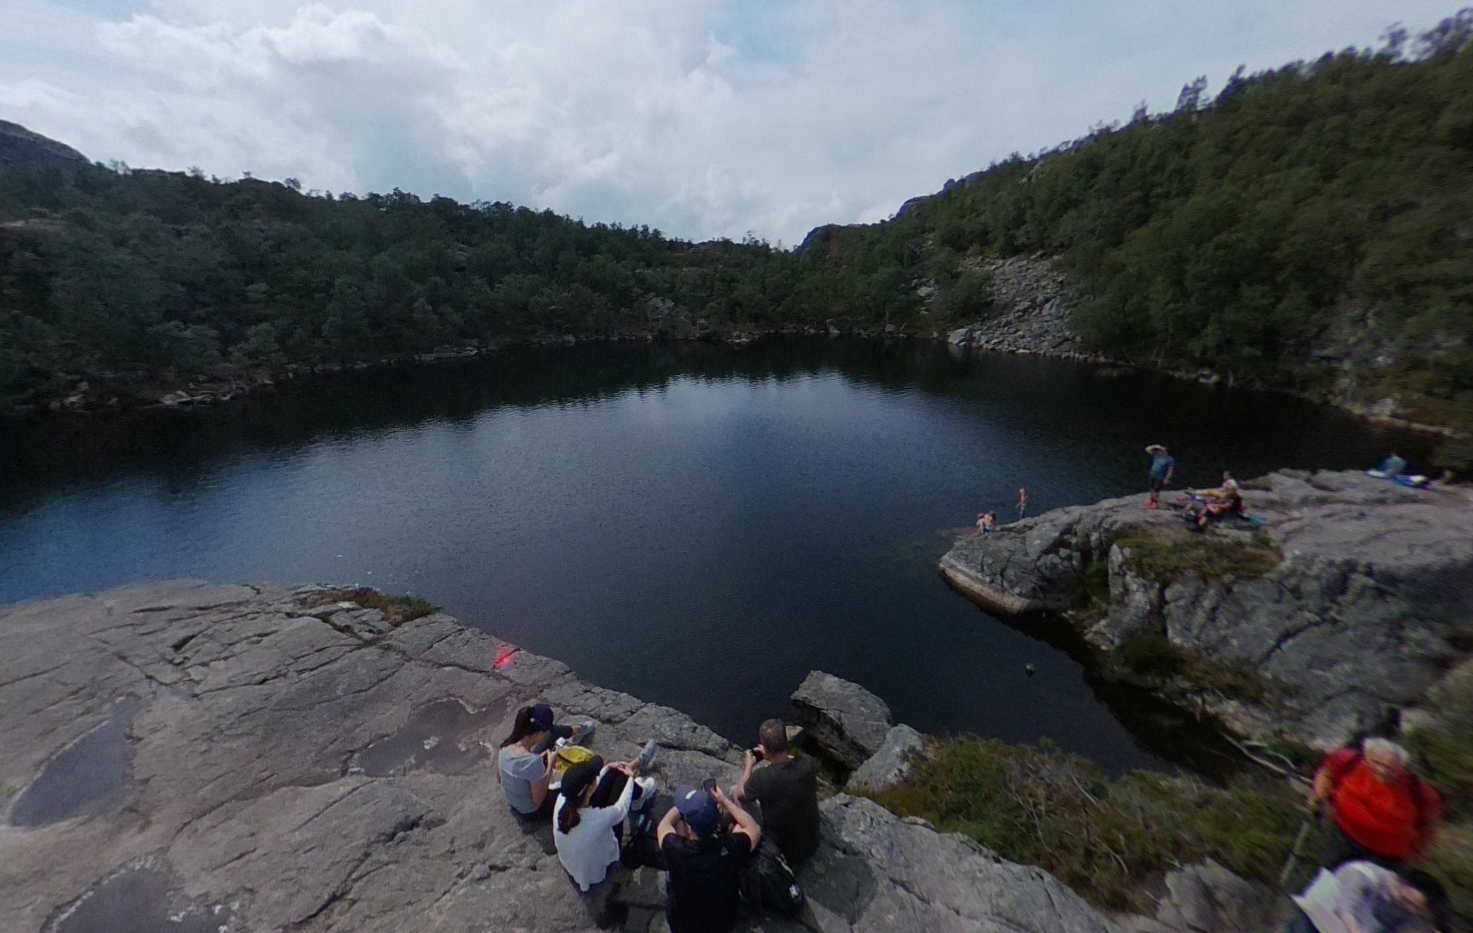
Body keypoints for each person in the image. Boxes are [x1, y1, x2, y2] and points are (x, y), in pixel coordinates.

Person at [1310, 738, 1444, 869]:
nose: (1383, 771)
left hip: (1387, 856)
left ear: (1401, 768)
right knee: (1328, 881)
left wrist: (1419, 851)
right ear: (1367, 758)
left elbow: (1429, 825)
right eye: (1377, 764)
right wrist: (1320, 799)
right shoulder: (1349, 761)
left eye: (1390, 768)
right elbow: (1326, 773)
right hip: (1343, 836)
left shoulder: (1420, 792)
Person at [658, 783, 761, 933]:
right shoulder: (730, 848)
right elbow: (753, 828)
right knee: (741, 833)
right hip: (723, 921)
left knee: (671, 875)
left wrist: (682, 807)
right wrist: (724, 801)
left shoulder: (675, 849)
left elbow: (663, 826)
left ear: (689, 827)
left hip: (684, 925)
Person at [553, 756, 657, 891]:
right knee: (622, 781)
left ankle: (636, 788)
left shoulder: (562, 800)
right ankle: (641, 793)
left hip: (572, 863)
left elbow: (590, 791)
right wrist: (631, 779)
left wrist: (607, 768)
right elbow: (621, 808)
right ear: (590, 787)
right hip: (596, 874)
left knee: (615, 774)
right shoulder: (597, 819)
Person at [733, 719, 821, 868]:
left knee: (734, 792)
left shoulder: (764, 777)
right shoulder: (808, 763)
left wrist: (748, 766)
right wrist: (769, 754)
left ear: (766, 749)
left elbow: (741, 793)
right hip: (811, 842)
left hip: (783, 851)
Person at [497, 703, 596, 823]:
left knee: (553, 735)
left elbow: (500, 777)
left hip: (514, 803)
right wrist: (549, 765)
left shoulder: (505, 747)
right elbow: (539, 801)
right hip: (531, 812)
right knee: (581, 777)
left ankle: (578, 730)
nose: (544, 735)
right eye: (544, 733)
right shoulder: (532, 762)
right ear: (538, 733)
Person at [1285, 860, 1444, 933]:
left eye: (1415, 907)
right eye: (1408, 900)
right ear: (1403, 882)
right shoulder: (1362, 874)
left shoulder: (1402, 908)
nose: (1408, 906)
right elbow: (1346, 911)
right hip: (1316, 919)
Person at [1145, 445, 1176, 509]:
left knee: (1156, 490)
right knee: (1151, 488)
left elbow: (1170, 469)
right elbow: (1147, 449)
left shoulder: (1169, 459)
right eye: (1160, 450)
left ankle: (1155, 502)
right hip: (1153, 474)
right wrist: (1156, 446)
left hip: (1160, 476)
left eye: (1161, 451)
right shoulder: (1157, 456)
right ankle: (1151, 499)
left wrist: (1167, 478)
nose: (1160, 451)